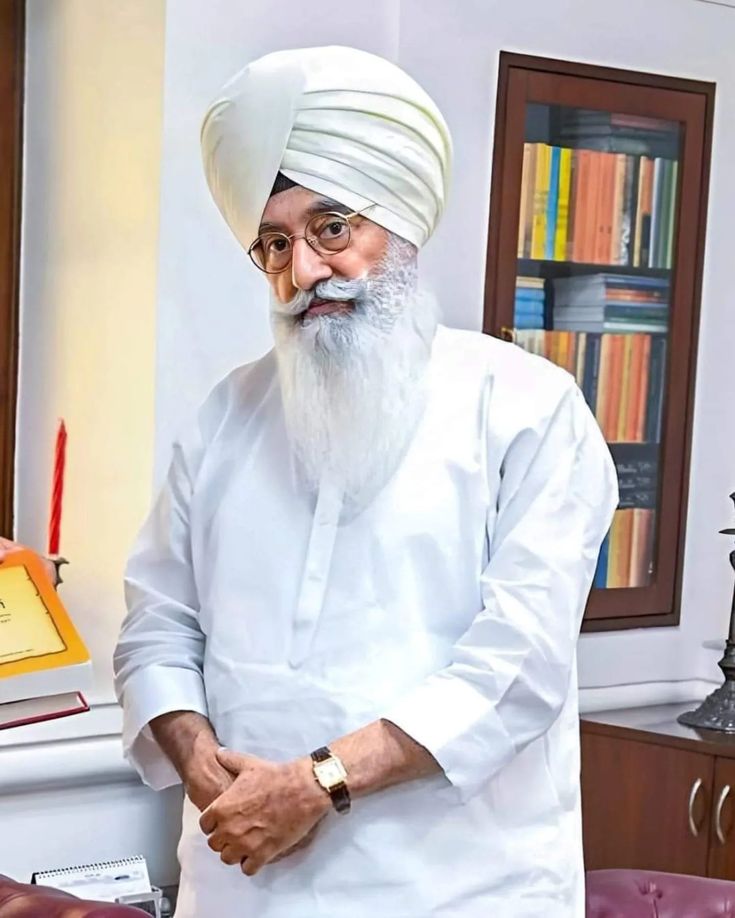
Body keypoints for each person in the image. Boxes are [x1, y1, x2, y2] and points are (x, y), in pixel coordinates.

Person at [112, 46, 618, 917]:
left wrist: (315, 785)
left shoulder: (528, 407)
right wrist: (200, 765)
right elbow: (156, 630)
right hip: (243, 890)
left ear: (402, 221)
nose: (302, 272)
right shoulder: (226, 416)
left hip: (459, 894)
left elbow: (518, 665)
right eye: (273, 244)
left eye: (331, 227)